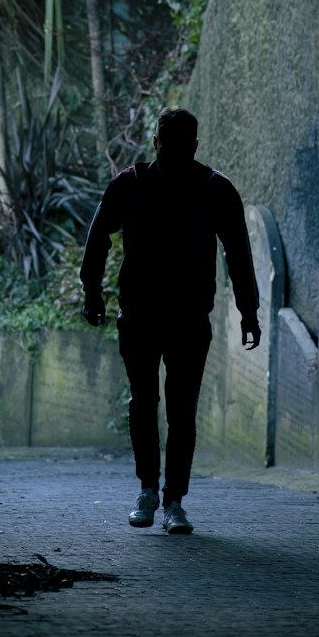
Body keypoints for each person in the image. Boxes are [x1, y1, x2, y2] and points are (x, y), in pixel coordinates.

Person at [80, 107, 261, 535]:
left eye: (178, 144)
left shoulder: (200, 188)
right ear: (159, 142)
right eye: (169, 142)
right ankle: (158, 496)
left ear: (188, 145)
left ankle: (166, 498)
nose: (173, 150)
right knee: (160, 407)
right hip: (150, 317)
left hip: (180, 318)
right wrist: (248, 311)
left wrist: (248, 310)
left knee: (166, 408)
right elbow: (237, 253)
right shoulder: (146, 185)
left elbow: (239, 252)